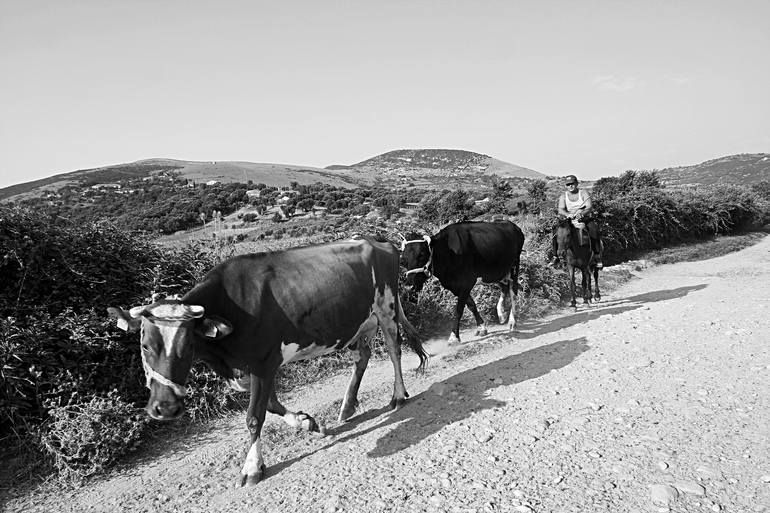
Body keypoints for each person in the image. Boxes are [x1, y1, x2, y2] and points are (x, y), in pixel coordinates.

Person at [549, 175, 603, 268]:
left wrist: (582, 214)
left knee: (593, 228)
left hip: (583, 218)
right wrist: (567, 214)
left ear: (576, 184)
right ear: (565, 186)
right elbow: (561, 209)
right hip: (569, 219)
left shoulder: (583, 193)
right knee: (555, 230)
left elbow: (589, 207)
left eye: (572, 184)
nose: (570, 186)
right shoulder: (563, 196)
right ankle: (555, 256)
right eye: (568, 184)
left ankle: (597, 255)